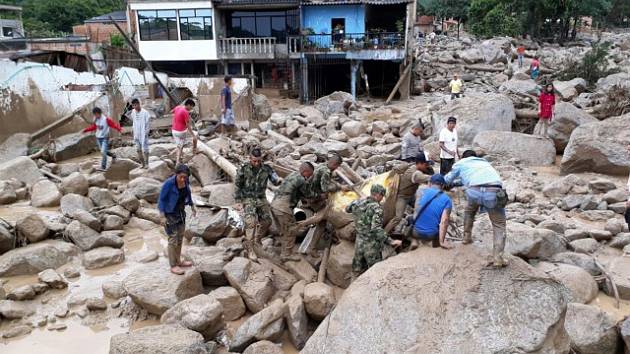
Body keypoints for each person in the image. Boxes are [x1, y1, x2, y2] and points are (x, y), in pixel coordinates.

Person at [444, 150, 508, 267]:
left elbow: (447, 180)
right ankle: (498, 258)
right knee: (499, 224)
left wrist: (438, 181)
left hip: (474, 192)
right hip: (493, 192)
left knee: (469, 211)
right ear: (475, 157)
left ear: (463, 157)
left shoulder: (461, 163)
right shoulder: (485, 163)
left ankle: (466, 237)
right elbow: (481, 180)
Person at [234, 148, 281, 261]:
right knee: (250, 223)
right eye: (254, 161)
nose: (256, 163)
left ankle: (257, 238)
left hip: (261, 197)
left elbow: (275, 179)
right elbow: (237, 184)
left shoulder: (266, 168)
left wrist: (279, 180)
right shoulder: (244, 168)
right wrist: (238, 201)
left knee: (267, 221)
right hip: (248, 198)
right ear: (250, 159)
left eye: (258, 161)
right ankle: (250, 249)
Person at [346, 184, 402, 277]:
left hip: (359, 242)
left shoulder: (357, 202)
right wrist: (391, 241)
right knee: (376, 272)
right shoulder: (377, 208)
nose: (382, 198)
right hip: (371, 245)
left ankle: (355, 288)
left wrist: (358, 200)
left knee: (358, 270)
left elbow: (347, 209)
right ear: (377, 195)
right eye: (382, 196)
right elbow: (376, 229)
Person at [271, 162, 314, 261]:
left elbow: (296, 192)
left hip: (274, 205)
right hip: (283, 208)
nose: (309, 177)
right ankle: (286, 255)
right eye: (310, 174)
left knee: (283, 229)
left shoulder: (292, 174)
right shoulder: (301, 179)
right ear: (305, 172)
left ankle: (282, 245)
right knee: (292, 230)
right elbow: (309, 194)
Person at [158, 164, 197, 275]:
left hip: (180, 212)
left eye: (185, 177)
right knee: (173, 239)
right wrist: (162, 216)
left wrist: (192, 206)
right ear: (176, 174)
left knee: (180, 237)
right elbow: (161, 199)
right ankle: (173, 265)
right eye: (181, 177)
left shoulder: (185, 181)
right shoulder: (169, 184)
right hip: (169, 213)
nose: (183, 179)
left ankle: (178, 261)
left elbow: (188, 192)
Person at [385, 153, 434, 234]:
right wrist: (438, 178)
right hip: (402, 196)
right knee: (398, 217)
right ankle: (383, 235)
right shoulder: (413, 172)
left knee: (424, 206)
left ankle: (413, 226)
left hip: (411, 195)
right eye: (426, 164)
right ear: (419, 164)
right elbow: (423, 178)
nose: (427, 166)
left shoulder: (421, 168)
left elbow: (430, 173)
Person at [410, 174, 452, 250]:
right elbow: (444, 221)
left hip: (415, 232)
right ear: (442, 186)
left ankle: (414, 241)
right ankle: (436, 247)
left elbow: (417, 209)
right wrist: (441, 241)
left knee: (409, 218)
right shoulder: (447, 200)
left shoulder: (420, 191)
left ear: (429, 183)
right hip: (431, 235)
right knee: (437, 226)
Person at [82, 107, 122, 171]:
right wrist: (86, 130)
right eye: (94, 114)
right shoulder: (96, 119)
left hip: (105, 138)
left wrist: (119, 129)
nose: (95, 116)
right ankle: (113, 155)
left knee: (103, 152)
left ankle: (103, 167)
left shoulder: (106, 119)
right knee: (104, 152)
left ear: (99, 113)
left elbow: (113, 125)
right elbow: (94, 127)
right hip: (98, 138)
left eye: (96, 114)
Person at [172, 98, 197, 165]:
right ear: (188, 105)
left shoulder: (178, 107)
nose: (191, 109)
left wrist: (177, 119)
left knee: (179, 146)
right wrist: (193, 135)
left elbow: (172, 111)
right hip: (181, 132)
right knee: (196, 135)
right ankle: (194, 153)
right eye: (191, 107)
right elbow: (188, 125)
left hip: (174, 131)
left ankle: (178, 160)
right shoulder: (185, 112)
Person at [130, 98, 151, 168]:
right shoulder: (133, 112)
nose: (134, 107)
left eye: (135, 105)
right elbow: (134, 122)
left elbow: (148, 124)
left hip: (143, 133)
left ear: (139, 104)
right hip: (136, 133)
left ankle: (147, 163)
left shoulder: (145, 113)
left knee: (145, 149)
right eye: (133, 105)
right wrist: (132, 129)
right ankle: (143, 164)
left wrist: (146, 132)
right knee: (138, 150)